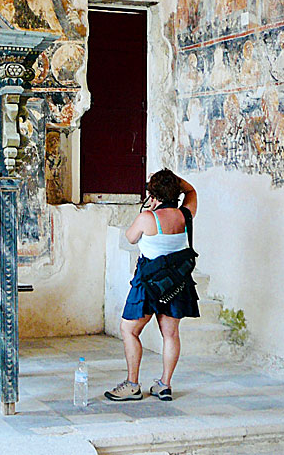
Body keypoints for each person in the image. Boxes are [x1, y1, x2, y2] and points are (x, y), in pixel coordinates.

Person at [105, 169, 199, 402]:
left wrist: (153, 199)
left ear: (153, 194)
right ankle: (165, 385)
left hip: (148, 283)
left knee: (129, 330)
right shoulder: (184, 214)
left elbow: (130, 237)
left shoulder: (148, 217)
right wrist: (172, 183)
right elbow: (192, 190)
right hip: (175, 283)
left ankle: (132, 384)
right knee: (170, 333)